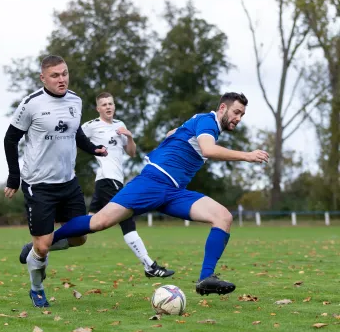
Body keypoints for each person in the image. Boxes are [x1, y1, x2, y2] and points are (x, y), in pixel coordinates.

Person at [45, 92, 270, 296]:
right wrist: (247, 155)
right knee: (99, 222)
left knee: (223, 217)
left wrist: (174, 136)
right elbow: (208, 150)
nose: (239, 118)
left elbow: (175, 133)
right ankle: (46, 241)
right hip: (152, 183)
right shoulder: (208, 122)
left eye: (242, 114)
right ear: (223, 108)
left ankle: (206, 279)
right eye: (236, 112)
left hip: (174, 192)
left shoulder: (204, 123)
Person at [19, 92, 174, 278]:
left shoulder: (120, 125)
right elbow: (71, 137)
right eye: (104, 104)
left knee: (84, 227)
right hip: (107, 179)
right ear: (98, 108)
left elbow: (131, 153)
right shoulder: (91, 126)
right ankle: (150, 265)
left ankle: (39, 246)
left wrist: (130, 137)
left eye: (111, 103)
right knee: (127, 219)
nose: (108, 107)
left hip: (114, 180)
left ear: (114, 106)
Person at [4, 55, 107, 308]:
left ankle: (39, 244)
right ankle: (37, 288)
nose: (61, 79)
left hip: (68, 182)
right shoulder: (31, 104)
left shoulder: (75, 100)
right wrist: (14, 176)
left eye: (64, 73)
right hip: (38, 185)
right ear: (43, 78)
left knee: (80, 237)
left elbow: (76, 132)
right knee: (44, 247)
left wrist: (93, 149)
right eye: (55, 75)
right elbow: (10, 138)